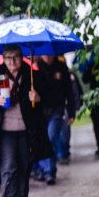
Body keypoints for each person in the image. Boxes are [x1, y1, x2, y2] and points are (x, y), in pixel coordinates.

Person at [0, 45, 52, 197]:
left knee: (23, 172)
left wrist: (39, 98)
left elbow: (53, 98)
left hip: (27, 132)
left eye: (16, 57)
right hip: (5, 133)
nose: (12, 62)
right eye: (8, 58)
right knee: (9, 170)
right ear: (3, 59)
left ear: (23, 58)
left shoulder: (32, 77)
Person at [33, 54, 75, 185]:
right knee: (39, 139)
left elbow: (69, 90)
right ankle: (40, 169)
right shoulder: (35, 68)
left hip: (56, 110)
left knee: (50, 138)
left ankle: (50, 171)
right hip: (39, 111)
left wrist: (71, 111)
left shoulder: (61, 67)